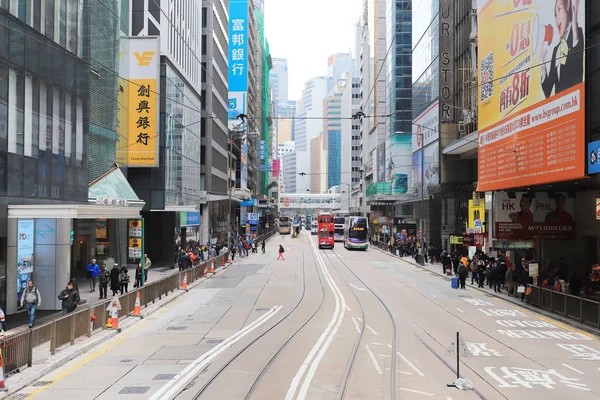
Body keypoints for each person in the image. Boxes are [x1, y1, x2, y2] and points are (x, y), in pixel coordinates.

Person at [540, 0, 584, 99]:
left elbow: (577, 56)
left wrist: (575, 17)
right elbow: (547, 90)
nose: (557, 19)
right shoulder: (556, 50)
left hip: (576, 103)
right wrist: (543, 64)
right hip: (561, 110)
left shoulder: (578, 33)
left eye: (559, 10)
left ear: (568, 6)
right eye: (555, 15)